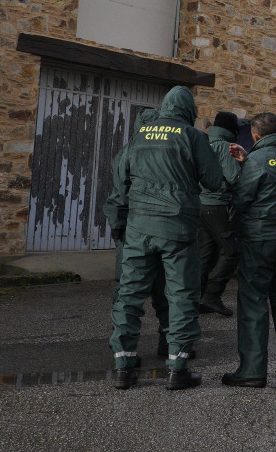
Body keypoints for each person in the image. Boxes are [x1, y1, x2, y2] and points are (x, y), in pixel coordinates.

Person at [110, 86, 224, 391]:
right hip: (178, 229)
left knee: (129, 295)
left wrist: (128, 214)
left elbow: (121, 182)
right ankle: (178, 369)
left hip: (139, 227)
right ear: (188, 110)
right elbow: (213, 180)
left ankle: (123, 367)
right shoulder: (193, 136)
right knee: (181, 295)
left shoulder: (140, 135)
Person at [222, 112, 276, 388]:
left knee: (253, 302)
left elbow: (244, 197)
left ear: (256, 136)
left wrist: (241, 170)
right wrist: (249, 160)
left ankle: (252, 371)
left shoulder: (258, 160)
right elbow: (275, 177)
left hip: (262, 238)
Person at [104, 108, 171, 362]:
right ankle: (168, 342)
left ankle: (122, 347)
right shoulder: (166, 152)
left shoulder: (128, 152)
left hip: (134, 230)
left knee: (129, 290)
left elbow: (117, 196)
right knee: (160, 289)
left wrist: (118, 223)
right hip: (155, 229)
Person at [197, 111, 242, 317]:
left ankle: (195, 298)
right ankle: (212, 295)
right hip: (217, 205)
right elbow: (235, 178)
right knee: (231, 251)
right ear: (232, 130)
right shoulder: (225, 147)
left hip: (201, 205)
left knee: (207, 254)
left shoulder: (204, 143)